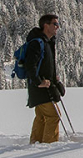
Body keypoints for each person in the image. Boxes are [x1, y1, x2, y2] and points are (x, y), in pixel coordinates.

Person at [24, 13, 65, 144]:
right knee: (54, 116)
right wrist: (39, 82)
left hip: (43, 86)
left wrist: (53, 78)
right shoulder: (37, 43)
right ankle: (49, 145)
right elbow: (30, 65)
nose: (57, 27)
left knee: (41, 117)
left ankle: (35, 143)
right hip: (42, 87)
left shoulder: (46, 42)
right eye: (55, 24)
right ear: (46, 25)